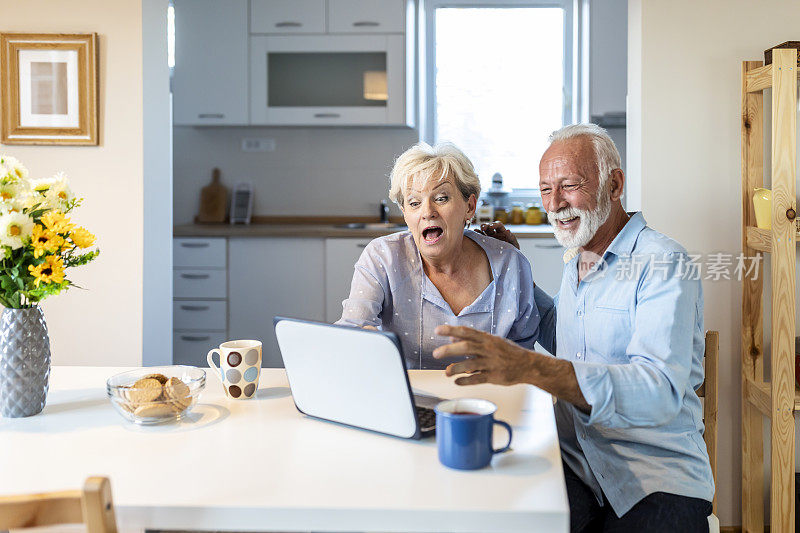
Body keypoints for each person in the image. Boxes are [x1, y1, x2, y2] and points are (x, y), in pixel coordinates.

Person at [433, 124, 714, 532]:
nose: (556, 203)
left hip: (654, 477)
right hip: (576, 464)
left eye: (569, 185)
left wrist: (530, 368)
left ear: (614, 184)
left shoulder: (662, 262)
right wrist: (516, 271)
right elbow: (561, 331)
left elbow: (659, 391)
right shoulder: (581, 258)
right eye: (546, 190)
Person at [336, 142, 542, 370]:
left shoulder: (510, 263)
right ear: (405, 215)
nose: (427, 212)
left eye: (441, 198)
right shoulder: (383, 257)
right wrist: (362, 338)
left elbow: (524, 353)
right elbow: (352, 330)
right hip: (410, 398)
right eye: (414, 203)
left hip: (489, 399)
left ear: (470, 207)